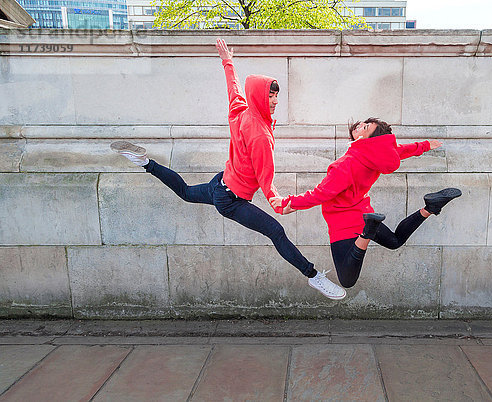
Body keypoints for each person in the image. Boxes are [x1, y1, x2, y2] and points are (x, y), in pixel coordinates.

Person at [110, 38, 346, 300]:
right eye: (270, 95)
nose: (275, 100)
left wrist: (227, 61)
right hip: (232, 201)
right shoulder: (260, 136)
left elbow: (233, 89)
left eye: (277, 94)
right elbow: (265, 180)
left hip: (219, 183)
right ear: (259, 96)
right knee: (276, 232)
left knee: (186, 192)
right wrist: (279, 205)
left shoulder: (241, 111)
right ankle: (314, 277)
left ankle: (144, 163)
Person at [270, 118, 461, 289]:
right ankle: (431, 207)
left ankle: (367, 233)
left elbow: (321, 194)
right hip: (364, 213)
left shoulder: (346, 164)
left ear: (367, 139)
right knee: (394, 241)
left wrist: (288, 202)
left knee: (346, 280)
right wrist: (425, 145)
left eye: (366, 127)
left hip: (344, 223)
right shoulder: (375, 156)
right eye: (364, 123)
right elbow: (398, 151)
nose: (360, 124)